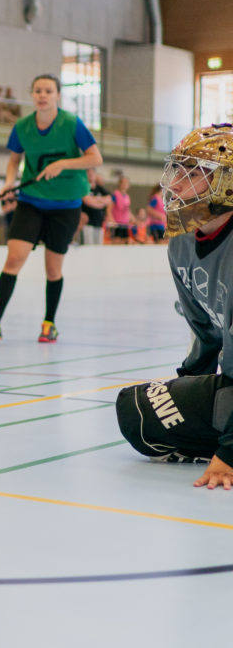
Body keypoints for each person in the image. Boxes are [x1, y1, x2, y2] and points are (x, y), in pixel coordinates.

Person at [116, 124, 233, 489]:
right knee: (140, 412)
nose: (176, 183)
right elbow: (205, 331)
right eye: (177, 169)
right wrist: (187, 390)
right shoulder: (180, 242)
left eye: (194, 172)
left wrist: (228, 453)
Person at [0, 75, 102, 343]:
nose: (42, 95)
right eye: (37, 91)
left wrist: (63, 164)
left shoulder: (71, 123)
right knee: (13, 259)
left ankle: (49, 323)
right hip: (31, 200)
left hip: (66, 204)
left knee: (53, 268)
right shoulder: (22, 126)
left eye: (48, 90)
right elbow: (14, 160)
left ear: (57, 95)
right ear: (32, 95)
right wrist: (10, 183)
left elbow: (95, 157)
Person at [80, 169, 111, 245]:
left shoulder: (100, 188)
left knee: (98, 247)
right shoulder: (84, 187)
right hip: (88, 223)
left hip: (99, 223)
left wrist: (94, 200)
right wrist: (101, 202)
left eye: (92, 173)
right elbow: (87, 201)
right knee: (88, 246)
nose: (91, 175)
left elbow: (109, 199)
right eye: (88, 173)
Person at [108, 175, 133, 243]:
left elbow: (128, 210)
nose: (125, 185)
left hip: (125, 223)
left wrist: (134, 220)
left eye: (126, 183)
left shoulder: (127, 196)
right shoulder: (115, 194)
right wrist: (111, 219)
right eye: (123, 183)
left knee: (126, 240)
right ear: (119, 184)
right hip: (117, 222)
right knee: (117, 240)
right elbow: (109, 208)